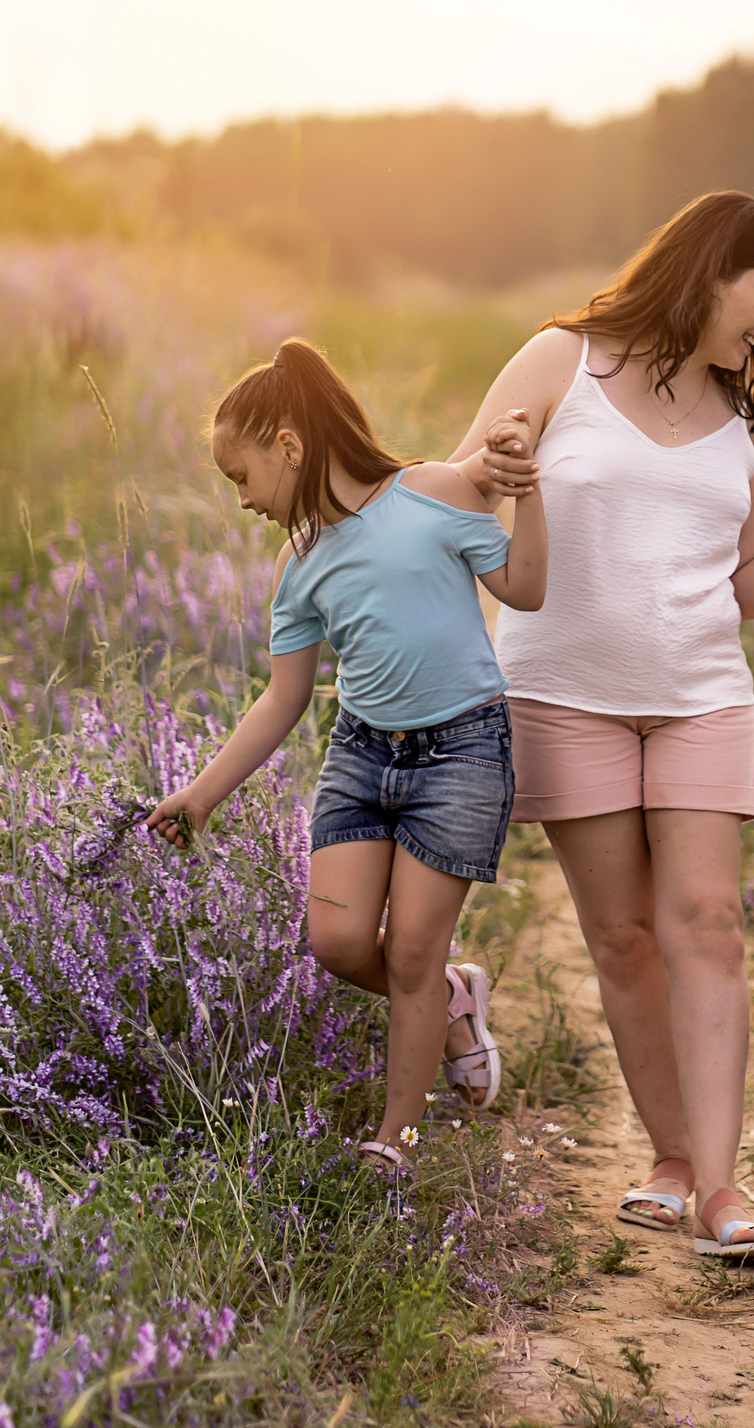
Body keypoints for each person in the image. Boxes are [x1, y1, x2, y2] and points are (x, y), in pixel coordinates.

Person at [452, 191, 754, 1263]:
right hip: (561, 692)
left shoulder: (738, 419)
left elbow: (741, 579)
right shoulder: (561, 362)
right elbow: (457, 498)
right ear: (709, 270)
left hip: (700, 692)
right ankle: (671, 1158)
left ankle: (723, 1190)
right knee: (623, 938)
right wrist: (495, 473)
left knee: (707, 924)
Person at [148, 339, 547, 1169]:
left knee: (407, 949)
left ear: (289, 447)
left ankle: (396, 1138)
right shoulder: (298, 568)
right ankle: (448, 998)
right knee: (334, 943)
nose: (243, 501)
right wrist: (201, 793)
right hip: (362, 758)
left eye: (242, 477)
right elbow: (281, 699)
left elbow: (526, 590)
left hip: (462, 753)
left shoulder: (434, 492)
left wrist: (527, 491)